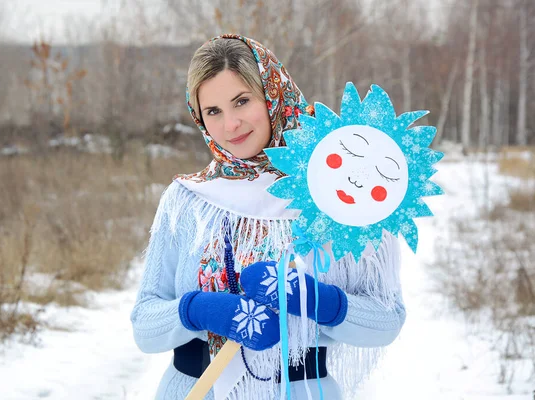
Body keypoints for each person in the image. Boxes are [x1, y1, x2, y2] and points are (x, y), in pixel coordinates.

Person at [130, 34, 407, 400]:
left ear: (273, 96)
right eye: (213, 111)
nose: (230, 125)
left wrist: (317, 300)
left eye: (241, 101)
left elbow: (386, 321)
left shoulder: (337, 194)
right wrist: (196, 310)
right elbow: (144, 327)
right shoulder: (188, 201)